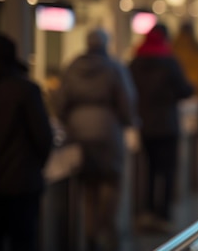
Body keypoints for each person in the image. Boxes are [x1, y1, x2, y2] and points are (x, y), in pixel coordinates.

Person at [55, 28, 138, 251]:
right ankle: (105, 228)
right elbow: (126, 102)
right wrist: (128, 122)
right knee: (111, 181)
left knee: (88, 188)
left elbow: (60, 102)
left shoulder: (72, 67)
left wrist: (71, 122)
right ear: (105, 44)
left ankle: (91, 235)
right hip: (108, 133)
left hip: (79, 134)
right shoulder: (114, 68)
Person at [0, 33, 54, 251]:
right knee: (24, 242)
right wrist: (35, 168)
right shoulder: (26, 89)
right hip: (22, 184)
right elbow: (43, 137)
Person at [129, 23, 194, 232]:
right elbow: (185, 90)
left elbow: (127, 91)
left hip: (144, 125)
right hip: (167, 125)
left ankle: (145, 213)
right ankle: (163, 216)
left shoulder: (135, 62)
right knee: (166, 172)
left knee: (146, 171)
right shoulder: (169, 62)